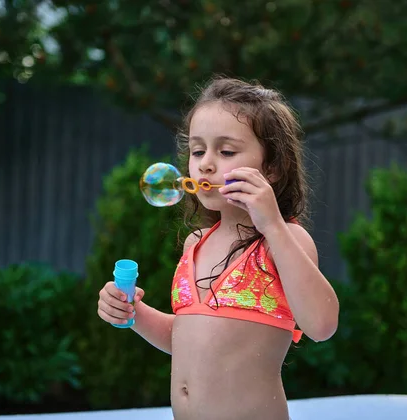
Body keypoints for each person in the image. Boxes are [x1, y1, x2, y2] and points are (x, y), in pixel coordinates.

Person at [97, 77, 340, 420]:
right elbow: (184, 341)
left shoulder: (283, 239)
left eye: (226, 151)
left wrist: (271, 224)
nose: (206, 164)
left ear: (270, 167)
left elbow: (322, 325)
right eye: (198, 151)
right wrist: (133, 313)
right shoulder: (197, 243)